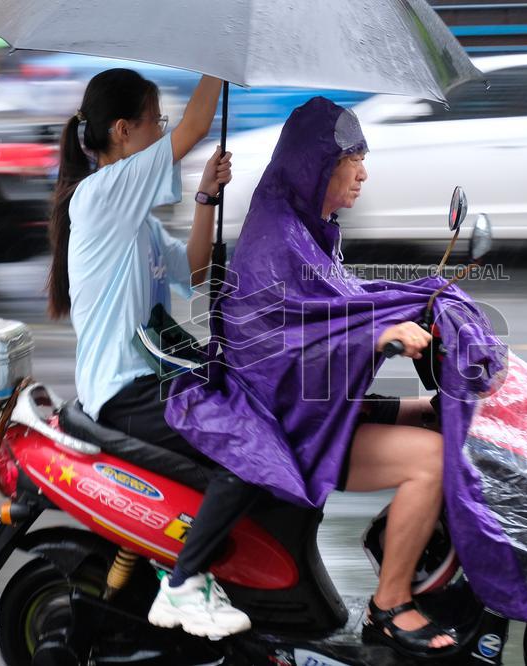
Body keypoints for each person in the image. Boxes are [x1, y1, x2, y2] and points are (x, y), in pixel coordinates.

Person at [167, 97, 459, 658]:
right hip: (281, 419)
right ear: (318, 166)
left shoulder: (308, 228)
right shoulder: (277, 238)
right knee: (429, 461)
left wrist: (421, 298)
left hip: (310, 404)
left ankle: (404, 553)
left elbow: (339, 305)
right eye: (353, 161)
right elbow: (279, 348)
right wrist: (377, 336)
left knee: (430, 416)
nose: (363, 174)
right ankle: (391, 604)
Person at [46, 68, 257, 639]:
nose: (163, 130)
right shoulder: (99, 196)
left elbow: (192, 270)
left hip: (151, 380)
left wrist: (207, 197)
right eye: (154, 121)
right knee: (243, 456)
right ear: (122, 131)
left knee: (249, 415)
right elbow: (194, 127)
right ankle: (183, 583)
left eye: (161, 121)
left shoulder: (133, 223)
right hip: (124, 391)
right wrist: (222, 57)